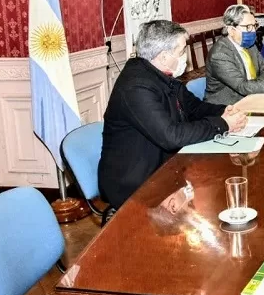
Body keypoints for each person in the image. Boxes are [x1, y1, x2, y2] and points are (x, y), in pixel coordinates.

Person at [98, 20, 248, 209]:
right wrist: (223, 124)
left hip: (164, 168)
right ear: (163, 57)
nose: (186, 57)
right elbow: (172, 136)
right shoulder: (136, 87)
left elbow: (194, 109)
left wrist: (224, 111)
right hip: (134, 183)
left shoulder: (162, 76)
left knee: (222, 176)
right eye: (182, 51)